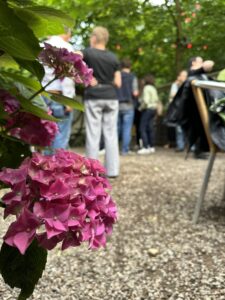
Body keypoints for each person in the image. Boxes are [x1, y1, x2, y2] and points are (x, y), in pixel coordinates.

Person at [82, 26, 121, 177]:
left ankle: (92, 171)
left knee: (93, 134)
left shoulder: (88, 52)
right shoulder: (113, 57)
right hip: (111, 97)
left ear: (94, 38)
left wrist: (86, 75)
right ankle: (112, 171)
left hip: (94, 96)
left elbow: (74, 56)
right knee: (111, 134)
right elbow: (118, 83)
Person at [42, 30, 75, 151]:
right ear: (66, 33)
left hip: (43, 95)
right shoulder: (66, 47)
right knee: (60, 135)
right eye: (70, 34)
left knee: (46, 135)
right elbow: (67, 76)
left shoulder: (42, 45)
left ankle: (45, 168)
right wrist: (69, 99)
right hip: (59, 97)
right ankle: (57, 168)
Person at [117, 58, 139, 155]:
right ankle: (124, 150)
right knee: (127, 128)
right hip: (128, 105)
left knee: (116, 128)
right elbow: (135, 93)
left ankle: (112, 150)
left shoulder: (117, 75)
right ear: (130, 66)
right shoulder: (132, 77)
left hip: (117, 105)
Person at [137, 74, 159, 154]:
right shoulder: (153, 88)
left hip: (147, 109)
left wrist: (140, 108)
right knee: (150, 128)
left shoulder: (146, 88)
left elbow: (146, 101)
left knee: (142, 128)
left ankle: (145, 146)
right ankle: (151, 146)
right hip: (153, 109)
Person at [169, 70, 188, 151]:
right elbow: (172, 95)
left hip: (187, 108)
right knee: (179, 128)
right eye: (182, 75)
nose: (184, 77)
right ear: (179, 77)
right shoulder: (175, 85)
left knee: (188, 127)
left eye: (185, 76)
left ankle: (191, 146)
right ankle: (180, 146)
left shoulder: (189, 84)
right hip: (178, 109)